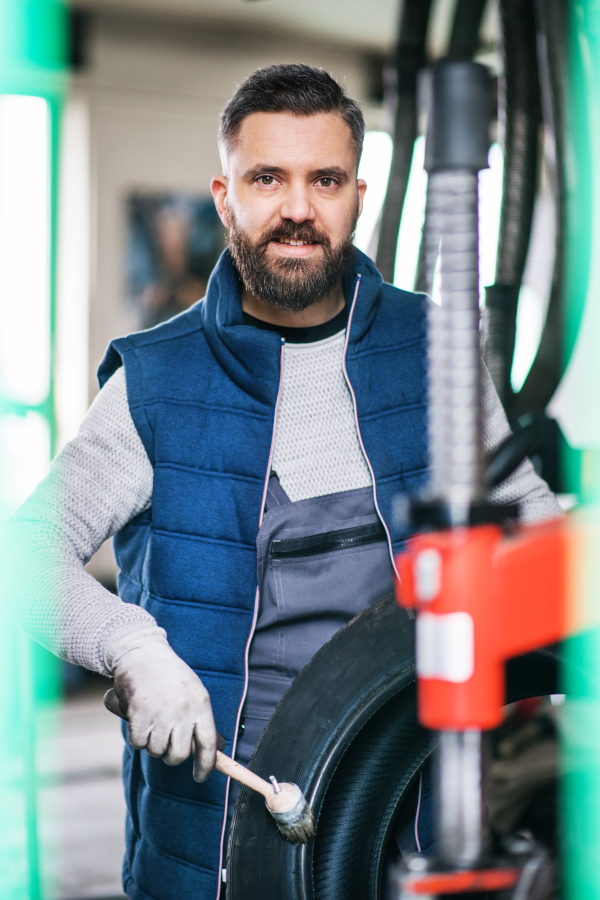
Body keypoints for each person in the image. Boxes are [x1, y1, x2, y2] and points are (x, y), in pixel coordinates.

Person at [6, 64, 560, 900]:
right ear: (225, 196)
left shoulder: (435, 350)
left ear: (359, 194)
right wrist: (131, 651)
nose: (298, 209)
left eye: (324, 180)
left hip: (412, 819)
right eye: (268, 178)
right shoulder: (156, 382)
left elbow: (541, 537)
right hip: (215, 839)